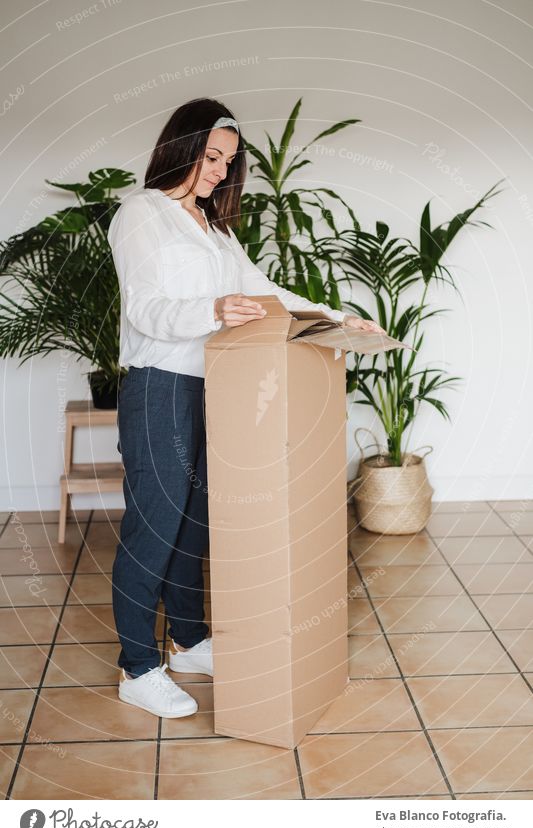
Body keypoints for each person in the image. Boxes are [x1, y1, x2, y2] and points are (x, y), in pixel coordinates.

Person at [107, 97, 386, 719]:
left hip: (216, 385)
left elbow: (269, 293)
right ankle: (137, 666)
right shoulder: (141, 214)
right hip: (159, 386)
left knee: (195, 520)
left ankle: (187, 640)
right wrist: (210, 311)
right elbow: (144, 308)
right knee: (154, 524)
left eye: (228, 162)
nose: (218, 171)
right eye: (210, 156)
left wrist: (343, 318)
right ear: (179, 147)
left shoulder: (216, 229)